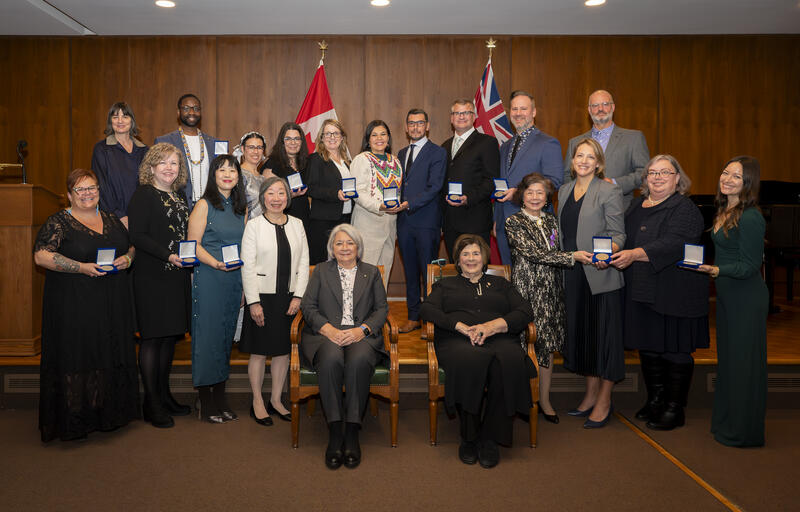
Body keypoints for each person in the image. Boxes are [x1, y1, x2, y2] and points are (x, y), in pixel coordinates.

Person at [33, 168, 138, 442]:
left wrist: (127, 260)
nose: (87, 193)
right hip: (74, 302)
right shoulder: (59, 222)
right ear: (69, 195)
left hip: (112, 301)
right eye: (80, 189)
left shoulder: (112, 219)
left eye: (92, 188)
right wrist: (80, 267)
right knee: (79, 354)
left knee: (106, 351)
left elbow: (131, 248)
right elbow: (42, 257)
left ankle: (107, 413)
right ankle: (76, 417)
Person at [610, 155, 709, 430]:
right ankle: (656, 400)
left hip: (675, 291)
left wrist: (634, 254)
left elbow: (675, 243)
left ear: (678, 178)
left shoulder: (684, 208)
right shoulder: (635, 205)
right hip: (642, 289)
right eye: (652, 172)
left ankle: (675, 408)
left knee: (675, 348)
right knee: (650, 345)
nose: (657, 177)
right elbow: (622, 236)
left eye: (665, 172)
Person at [420, 234, 535, 468]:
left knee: (508, 360)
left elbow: (525, 311)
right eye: (465, 254)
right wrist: (460, 326)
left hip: (499, 337)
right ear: (458, 260)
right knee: (470, 359)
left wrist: (492, 326)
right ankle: (469, 437)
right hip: (457, 341)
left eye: (475, 253)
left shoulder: (502, 285)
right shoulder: (445, 285)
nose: (471, 258)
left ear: (484, 257)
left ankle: (490, 438)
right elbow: (427, 309)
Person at [300, 224, 389, 470]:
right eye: (339, 243)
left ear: (358, 247)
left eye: (350, 243)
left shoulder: (371, 273)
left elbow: (381, 309)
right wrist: (328, 329)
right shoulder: (321, 271)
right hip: (326, 334)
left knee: (359, 361)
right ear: (332, 249)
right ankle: (335, 430)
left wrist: (362, 331)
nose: (345, 247)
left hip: (361, 335)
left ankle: (352, 431)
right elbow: (308, 307)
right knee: (330, 360)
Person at [697, 156, 767, 447]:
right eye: (725, 173)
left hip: (746, 298)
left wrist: (716, 270)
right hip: (726, 296)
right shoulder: (725, 209)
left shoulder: (750, 216)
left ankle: (744, 431)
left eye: (736, 176)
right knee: (728, 364)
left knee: (743, 366)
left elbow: (750, 266)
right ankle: (726, 423)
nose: (727, 179)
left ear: (747, 182)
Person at [558, 138, 625, 428]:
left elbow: (618, 234)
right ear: (572, 161)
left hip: (600, 274)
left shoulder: (609, 190)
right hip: (573, 273)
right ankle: (589, 395)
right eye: (579, 155)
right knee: (584, 336)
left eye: (590, 156)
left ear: (598, 163)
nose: (583, 160)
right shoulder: (563, 191)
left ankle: (605, 400)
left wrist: (605, 254)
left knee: (605, 339)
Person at [127, 143, 194, 429]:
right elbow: (137, 235)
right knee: (153, 339)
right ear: (151, 167)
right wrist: (168, 255)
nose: (169, 168)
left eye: (174, 163)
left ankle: (164, 395)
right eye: (163, 163)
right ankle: (151, 402)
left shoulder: (179, 196)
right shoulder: (143, 194)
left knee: (169, 338)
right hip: (151, 276)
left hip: (175, 276)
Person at [505, 173, 575, 424]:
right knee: (524, 344)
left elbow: (553, 249)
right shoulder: (513, 221)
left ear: (547, 197)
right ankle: (521, 399)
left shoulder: (552, 222)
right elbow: (533, 254)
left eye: (540, 192)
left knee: (547, 347)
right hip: (527, 290)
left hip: (552, 291)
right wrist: (572, 257)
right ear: (522, 195)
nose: (535, 197)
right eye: (530, 192)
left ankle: (544, 400)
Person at [240, 177, 309, 426]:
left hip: (289, 298)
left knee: (282, 352)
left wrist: (299, 295)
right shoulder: (254, 226)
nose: (277, 198)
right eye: (271, 193)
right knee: (259, 352)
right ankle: (257, 401)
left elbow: (303, 263)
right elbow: (246, 267)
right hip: (262, 297)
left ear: (288, 198)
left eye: (281, 193)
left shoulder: (298, 224)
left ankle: (277, 400)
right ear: (263, 198)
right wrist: (253, 302)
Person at [187, 155, 247, 423]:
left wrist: (245, 284)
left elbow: (245, 248)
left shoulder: (240, 207)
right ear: (214, 175)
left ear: (238, 176)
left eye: (232, 170)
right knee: (207, 337)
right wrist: (216, 264)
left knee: (225, 339)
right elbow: (193, 245)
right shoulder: (203, 205)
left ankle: (220, 397)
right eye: (221, 170)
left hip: (234, 280)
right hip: (210, 276)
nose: (227, 174)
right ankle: (206, 400)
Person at [494, 91, 563, 265]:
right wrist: (496, 220)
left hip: (533, 222)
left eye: (523, 109)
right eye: (514, 109)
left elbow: (554, 181)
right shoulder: (505, 147)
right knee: (510, 277)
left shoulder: (548, 143)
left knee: (531, 280)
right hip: (504, 223)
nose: (518, 113)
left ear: (533, 112)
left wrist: (518, 192)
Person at [396, 108, 447, 333]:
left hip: (426, 222)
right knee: (410, 272)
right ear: (406, 127)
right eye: (411, 123)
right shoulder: (400, 153)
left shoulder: (438, 153)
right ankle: (413, 316)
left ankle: (430, 320)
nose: (415, 127)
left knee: (428, 273)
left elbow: (435, 187)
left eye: (420, 123)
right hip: (404, 223)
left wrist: (409, 204)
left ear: (427, 126)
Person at [562, 89, 650, 209]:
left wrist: (614, 183)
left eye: (605, 104)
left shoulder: (633, 138)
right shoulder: (575, 142)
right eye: (595, 105)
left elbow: (644, 173)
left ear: (613, 107)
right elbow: (567, 176)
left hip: (619, 208)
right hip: (582, 209)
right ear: (589, 110)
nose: (600, 109)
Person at [441, 99, 500, 261]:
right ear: (451, 118)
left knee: (478, 271)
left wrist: (468, 198)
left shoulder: (487, 143)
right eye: (457, 113)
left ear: (473, 116)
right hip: (450, 222)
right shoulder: (444, 146)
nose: (461, 116)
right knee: (456, 271)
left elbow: (491, 180)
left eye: (466, 112)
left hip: (475, 220)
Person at [350, 120, 404, 286]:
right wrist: (379, 206)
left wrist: (399, 205)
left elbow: (398, 191)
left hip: (390, 225)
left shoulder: (395, 160)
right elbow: (356, 192)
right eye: (374, 135)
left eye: (383, 134)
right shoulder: (361, 159)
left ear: (388, 138)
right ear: (368, 139)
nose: (379, 138)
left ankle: (380, 310)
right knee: (364, 274)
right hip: (367, 225)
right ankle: (361, 311)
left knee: (384, 272)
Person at [155, 93, 222, 208]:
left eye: (196, 108)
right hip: (175, 207)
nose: (192, 112)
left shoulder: (215, 143)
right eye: (186, 108)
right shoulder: (164, 141)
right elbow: (156, 179)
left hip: (210, 207)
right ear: (178, 112)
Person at [91, 101, 148, 228]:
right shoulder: (102, 149)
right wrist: (119, 215)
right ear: (110, 121)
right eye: (115, 117)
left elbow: (148, 186)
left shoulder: (144, 150)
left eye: (125, 116)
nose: (120, 121)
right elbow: (101, 185)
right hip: (112, 217)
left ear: (131, 121)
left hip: (141, 216)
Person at [306, 119, 353, 265]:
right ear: (321, 138)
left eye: (336, 133)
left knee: (341, 263)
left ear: (342, 137)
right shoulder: (316, 159)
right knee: (321, 265)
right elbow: (311, 188)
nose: (332, 137)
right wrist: (335, 194)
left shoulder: (347, 162)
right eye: (328, 134)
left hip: (345, 218)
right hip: (323, 221)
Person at [262, 122, 310, 230]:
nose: (293, 142)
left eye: (297, 139)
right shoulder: (272, 164)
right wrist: (290, 195)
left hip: (304, 219)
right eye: (288, 139)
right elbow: (268, 198)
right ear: (282, 142)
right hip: (281, 220)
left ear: (301, 142)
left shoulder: (306, 163)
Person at [234, 130, 267, 219]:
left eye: (259, 147)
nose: (256, 151)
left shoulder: (263, 179)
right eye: (251, 147)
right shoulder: (237, 175)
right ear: (242, 149)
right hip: (244, 228)